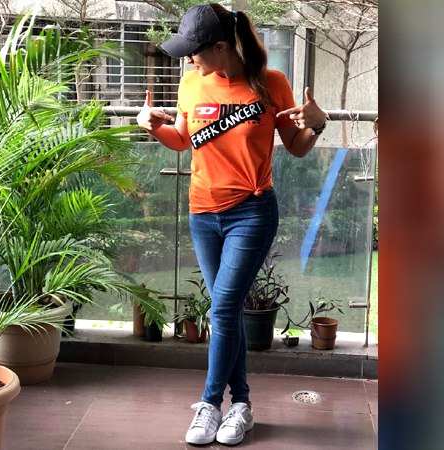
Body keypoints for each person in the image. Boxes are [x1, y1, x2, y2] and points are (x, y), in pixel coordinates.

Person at [136, 3, 328, 446]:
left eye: (194, 50)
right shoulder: (191, 81)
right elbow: (182, 139)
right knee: (229, 311)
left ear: (221, 47)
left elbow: (296, 146)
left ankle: (209, 404)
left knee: (222, 309)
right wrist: (151, 126)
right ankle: (240, 404)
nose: (189, 59)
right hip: (202, 213)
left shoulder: (271, 83)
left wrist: (317, 126)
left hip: (251, 212)